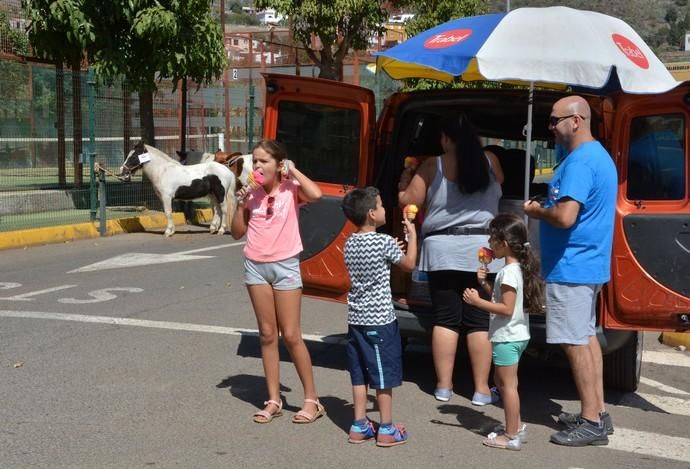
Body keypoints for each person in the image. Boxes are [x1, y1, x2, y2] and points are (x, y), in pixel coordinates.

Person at [524, 96, 617, 446]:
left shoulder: (580, 163)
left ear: (575, 121)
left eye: (553, 120)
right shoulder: (597, 157)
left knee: (575, 341)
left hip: (572, 265)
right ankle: (597, 411)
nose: (550, 127)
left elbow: (565, 217)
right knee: (587, 338)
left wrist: (537, 212)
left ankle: (591, 420)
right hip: (587, 263)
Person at [398, 113, 503, 404]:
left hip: (442, 251)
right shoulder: (491, 162)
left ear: (445, 139)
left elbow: (409, 201)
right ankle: (482, 389)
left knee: (446, 318)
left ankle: (444, 386)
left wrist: (405, 180)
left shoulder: (434, 164)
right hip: (483, 251)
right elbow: (501, 187)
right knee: (479, 321)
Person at [231, 139, 325, 424]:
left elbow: (317, 195)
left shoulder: (290, 189)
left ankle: (312, 401)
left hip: (285, 266)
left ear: (278, 164)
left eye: (264, 161)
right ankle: (273, 399)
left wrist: (293, 171)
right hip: (255, 267)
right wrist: (239, 204)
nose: (257, 165)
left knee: (292, 335)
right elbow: (236, 232)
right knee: (267, 335)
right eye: (255, 161)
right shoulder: (252, 194)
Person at [341, 187, 417, 447]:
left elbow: (372, 261)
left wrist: (389, 250)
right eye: (382, 205)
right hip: (380, 321)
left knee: (359, 374)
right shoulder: (383, 242)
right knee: (384, 376)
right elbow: (408, 264)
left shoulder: (350, 242)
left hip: (357, 319)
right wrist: (413, 236)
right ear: (372, 214)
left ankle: (359, 424)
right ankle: (386, 428)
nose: (385, 209)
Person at [462, 213, 545, 451]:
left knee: (507, 386)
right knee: (502, 381)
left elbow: (506, 309)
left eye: (492, 239)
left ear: (504, 243)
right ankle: (515, 426)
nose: (489, 244)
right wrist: (485, 285)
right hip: (515, 335)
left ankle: (511, 435)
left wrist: (477, 302)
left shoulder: (508, 272)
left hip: (507, 337)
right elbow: (506, 300)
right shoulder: (515, 270)